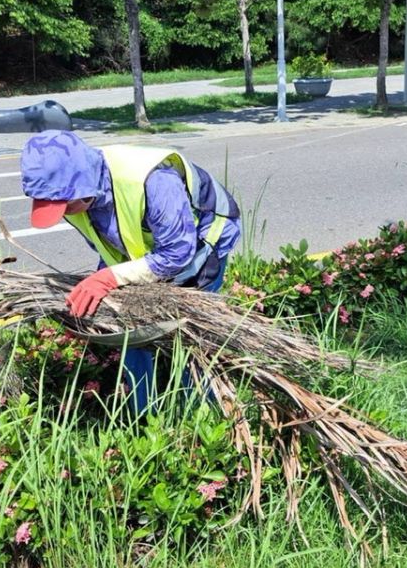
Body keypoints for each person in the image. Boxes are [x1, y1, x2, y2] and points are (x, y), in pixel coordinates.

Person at [20, 130, 241, 412]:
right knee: (129, 334)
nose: (65, 212)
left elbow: (178, 254)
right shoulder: (76, 199)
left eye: (65, 204)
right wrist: (106, 280)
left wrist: (111, 278)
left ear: (83, 185)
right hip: (155, 249)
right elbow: (113, 245)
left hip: (201, 243)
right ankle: (145, 414)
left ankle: (201, 413)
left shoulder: (154, 181)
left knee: (188, 337)